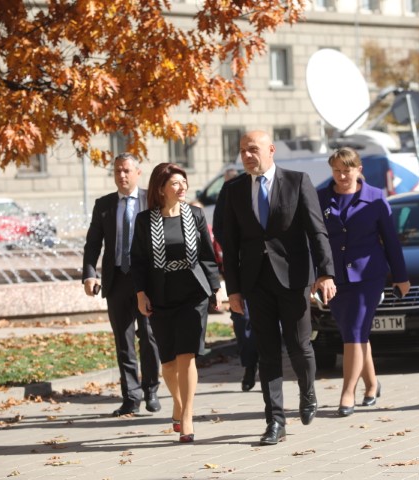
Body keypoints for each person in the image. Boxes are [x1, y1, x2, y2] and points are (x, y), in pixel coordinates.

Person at [222, 130, 336, 446]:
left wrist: (325, 273)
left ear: (271, 150)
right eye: (243, 150)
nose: (247, 155)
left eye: (253, 149)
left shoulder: (297, 182)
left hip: (293, 278)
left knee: (299, 346)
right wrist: (233, 290)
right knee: (267, 352)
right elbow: (230, 245)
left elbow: (317, 231)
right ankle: (275, 421)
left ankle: (307, 390)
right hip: (255, 282)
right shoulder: (233, 190)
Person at [130, 163, 221, 443]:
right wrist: (141, 294)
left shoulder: (195, 214)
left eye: (184, 182)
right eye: (175, 184)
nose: (182, 188)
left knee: (187, 355)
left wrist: (215, 287)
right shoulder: (146, 220)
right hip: (161, 295)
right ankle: (178, 403)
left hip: (193, 294)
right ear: (160, 189)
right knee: (168, 362)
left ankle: (188, 415)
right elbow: (139, 262)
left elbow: (207, 255)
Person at [317, 147, 410, 417]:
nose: (342, 176)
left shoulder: (376, 198)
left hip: (368, 276)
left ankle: (348, 394)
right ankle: (372, 384)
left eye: (347, 170)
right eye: (336, 171)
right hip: (335, 279)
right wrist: (318, 275)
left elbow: (391, 240)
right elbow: (316, 239)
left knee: (355, 332)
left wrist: (401, 277)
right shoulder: (321, 198)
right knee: (354, 334)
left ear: (359, 170)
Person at [82, 153, 161, 417]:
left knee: (149, 337)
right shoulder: (104, 205)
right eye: (117, 171)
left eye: (126, 170)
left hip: (146, 282)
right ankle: (131, 397)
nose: (121, 176)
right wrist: (89, 274)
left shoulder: (152, 200)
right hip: (116, 280)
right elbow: (93, 243)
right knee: (123, 341)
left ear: (138, 172)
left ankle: (151, 390)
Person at [212, 165, 259, 392]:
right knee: (242, 319)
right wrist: (236, 248)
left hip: (271, 267)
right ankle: (250, 365)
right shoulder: (231, 188)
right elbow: (219, 226)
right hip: (241, 265)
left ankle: (267, 365)